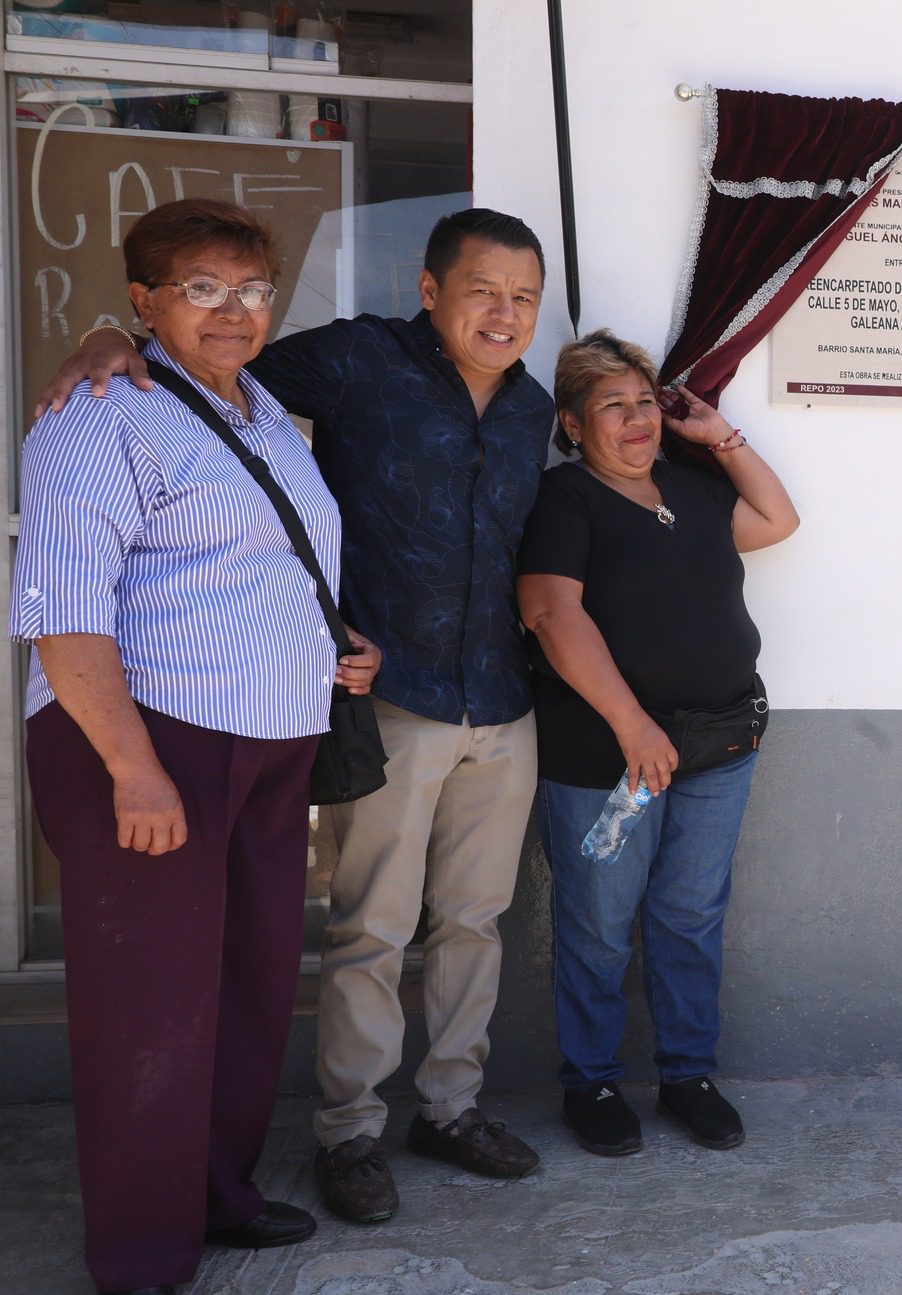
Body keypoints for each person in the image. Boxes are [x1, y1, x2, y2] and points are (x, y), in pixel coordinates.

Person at [43, 208, 559, 1224]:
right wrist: (108, 342)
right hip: (385, 702)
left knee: (473, 921)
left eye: (522, 299)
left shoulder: (534, 409)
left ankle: (449, 1108)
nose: (502, 315)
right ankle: (350, 1130)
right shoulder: (357, 363)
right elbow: (210, 357)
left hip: (496, 695)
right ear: (428, 290)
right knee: (369, 925)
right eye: (481, 291)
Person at [10, 199, 381, 1295]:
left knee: (249, 987)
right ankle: (136, 1260)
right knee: (146, 1013)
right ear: (144, 303)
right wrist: (133, 771)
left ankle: (214, 1195)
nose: (235, 311)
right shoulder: (96, 416)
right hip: (148, 747)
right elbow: (67, 624)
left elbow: (261, 567)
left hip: (270, 745)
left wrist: (337, 646)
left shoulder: (267, 416)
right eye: (203, 288)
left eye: (253, 289)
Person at [518, 331, 798, 1156]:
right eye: (613, 406)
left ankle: (687, 1074)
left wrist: (719, 437)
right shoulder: (565, 499)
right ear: (573, 424)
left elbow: (778, 519)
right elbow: (550, 614)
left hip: (716, 750)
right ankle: (593, 1081)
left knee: (689, 914)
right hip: (609, 761)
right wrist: (632, 724)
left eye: (645, 402)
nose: (636, 420)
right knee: (600, 920)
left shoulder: (693, 488)